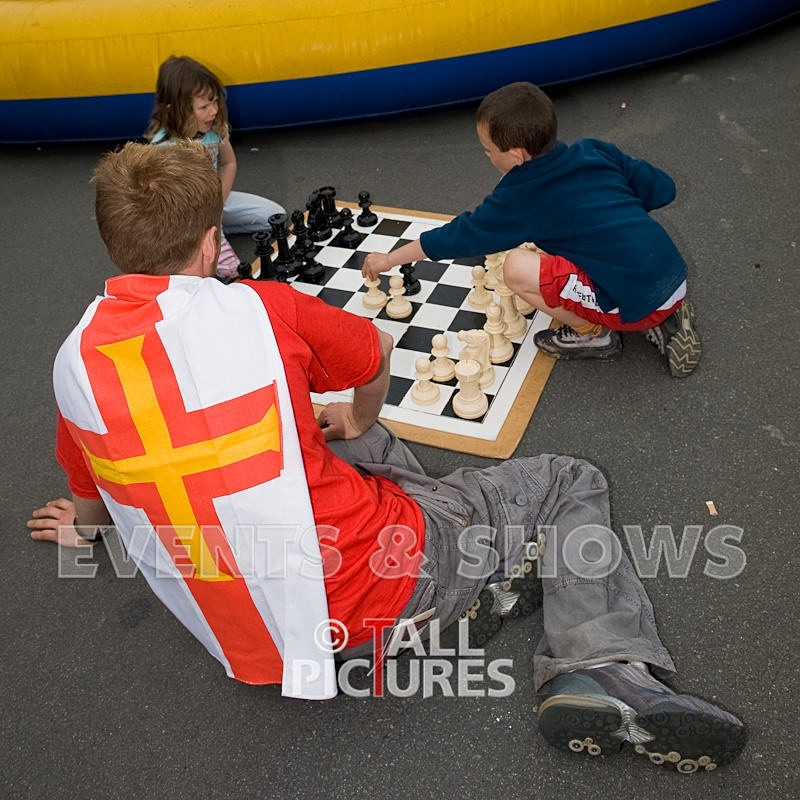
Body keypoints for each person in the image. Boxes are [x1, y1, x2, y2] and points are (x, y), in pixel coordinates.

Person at [28, 141, 744, 773]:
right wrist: (360, 411)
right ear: (211, 236)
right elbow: (373, 360)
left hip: (256, 630)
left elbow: (94, 504)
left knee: (347, 440)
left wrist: (82, 529)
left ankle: (468, 591)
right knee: (567, 481)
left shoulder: (75, 364)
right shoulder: (258, 308)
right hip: (377, 588)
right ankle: (601, 667)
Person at [362, 81, 701, 378]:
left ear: (515, 156)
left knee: (516, 268)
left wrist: (389, 259)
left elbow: (456, 236)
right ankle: (664, 311)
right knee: (569, 248)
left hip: (635, 296)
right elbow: (663, 189)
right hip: (671, 270)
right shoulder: (593, 149)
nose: (487, 156)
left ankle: (596, 334)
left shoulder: (520, 198)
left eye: (488, 151)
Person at [144, 54, 285, 278]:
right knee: (227, 274)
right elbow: (161, 201)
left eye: (215, 101)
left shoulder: (214, 131)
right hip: (185, 215)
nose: (214, 111)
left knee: (277, 217)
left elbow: (228, 163)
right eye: (204, 106)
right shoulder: (163, 147)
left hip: (215, 203)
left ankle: (217, 229)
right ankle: (204, 240)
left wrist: (219, 201)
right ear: (174, 109)